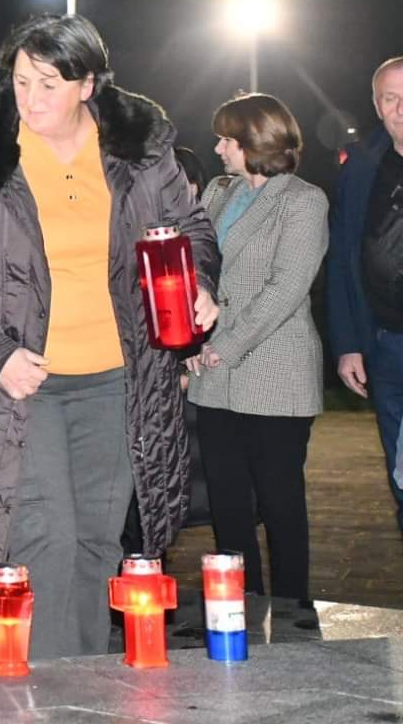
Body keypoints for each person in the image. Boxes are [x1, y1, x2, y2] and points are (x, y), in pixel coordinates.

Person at [0, 14, 220, 659]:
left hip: (117, 379)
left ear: (87, 84)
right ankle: (56, 691)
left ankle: (88, 679)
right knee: (44, 538)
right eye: (22, 81)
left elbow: (190, 227)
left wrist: (198, 282)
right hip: (25, 382)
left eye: (48, 84)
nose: (30, 99)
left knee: (98, 539)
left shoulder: (139, 148)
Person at [185, 93, 326, 602]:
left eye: (227, 139)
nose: (218, 148)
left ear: (255, 142)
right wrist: (190, 340)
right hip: (214, 376)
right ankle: (239, 606)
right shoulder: (218, 191)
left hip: (275, 374)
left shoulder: (303, 201)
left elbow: (286, 289)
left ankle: (291, 613)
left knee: (280, 504)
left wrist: (224, 342)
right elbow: (194, 263)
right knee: (227, 508)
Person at [327, 55, 403, 534]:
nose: (401, 109)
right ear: (376, 106)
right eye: (390, 98)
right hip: (385, 346)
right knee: (400, 470)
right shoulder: (360, 169)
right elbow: (342, 258)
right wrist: (348, 344)